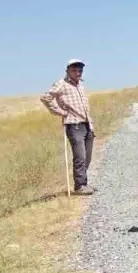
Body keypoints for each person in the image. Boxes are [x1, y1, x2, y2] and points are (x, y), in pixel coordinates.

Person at [40, 58, 96, 195]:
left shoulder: (80, 86)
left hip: (87, 124)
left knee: (87, 157)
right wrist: (61, 112)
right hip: (73, 124)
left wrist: (91, 125)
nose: (78, 73)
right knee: (80, 156)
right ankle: (80, 186)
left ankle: (84, 183)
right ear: (68, 71)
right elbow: (46, 97)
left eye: (80, 70)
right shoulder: (61, 84)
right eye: (74, 70)